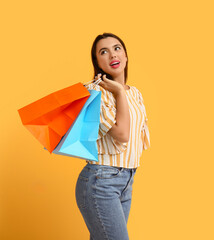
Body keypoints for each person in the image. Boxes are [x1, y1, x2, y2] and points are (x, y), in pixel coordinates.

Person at [75, 32, 150, 240]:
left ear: (125, 56)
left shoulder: (134, 93)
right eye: (104, 52)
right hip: (101, 180)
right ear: (97, 62)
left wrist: (121, 91)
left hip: (127, 180)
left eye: (117, 48)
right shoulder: (94, 92)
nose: (112, 55)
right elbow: (123, 135)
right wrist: (118, 92)